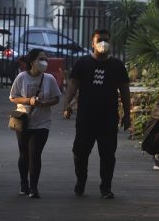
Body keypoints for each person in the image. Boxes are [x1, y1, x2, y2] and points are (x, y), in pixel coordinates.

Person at [62, 29, 131, 199]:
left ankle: (105, 187)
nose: (103, 43)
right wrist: (66, 105)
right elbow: (73, 85)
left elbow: (125, 91)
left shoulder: (117, 66)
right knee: (79, 153)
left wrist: (127, 114)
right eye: (99, 40)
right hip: (86, 118)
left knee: (108, 155)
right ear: (92, 43)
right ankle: (81, 180)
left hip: (108, 119)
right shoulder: (83, 64)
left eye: (106, 40)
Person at [9, 49, 61, 198]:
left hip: (42, 123)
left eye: (45, 59)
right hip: (23, 121)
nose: (44, 62)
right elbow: (13, 97)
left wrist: (44, 103)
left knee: (35, 154)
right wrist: (28, 101)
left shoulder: (49, 79)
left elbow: (56, 98)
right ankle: (23, 183)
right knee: (24, 154)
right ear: (32, 62)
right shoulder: (21, 77)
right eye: (40, 59)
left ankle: (33, 187)